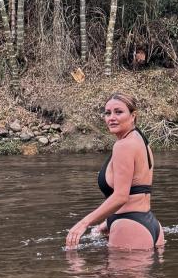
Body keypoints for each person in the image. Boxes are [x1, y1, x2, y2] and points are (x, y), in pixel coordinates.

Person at [65, 92, 164, 252]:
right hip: (149, 223)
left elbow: (121, 196)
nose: (111, 118)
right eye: (108, 113)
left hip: (129, 226)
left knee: (74, 263)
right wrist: (107, 223)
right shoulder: (141, 141)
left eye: (118, 112)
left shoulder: (123, 146)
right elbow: (137, 191)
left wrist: (83, 223)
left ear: (133, 116)